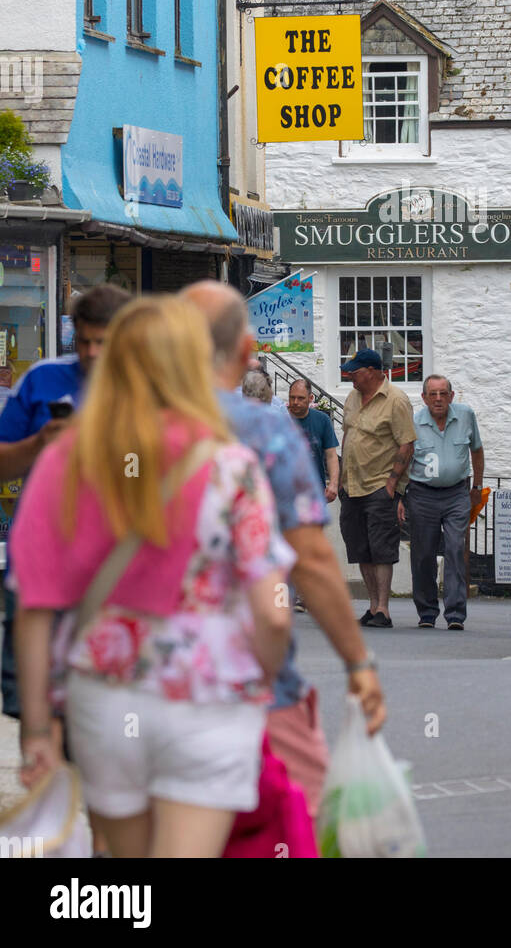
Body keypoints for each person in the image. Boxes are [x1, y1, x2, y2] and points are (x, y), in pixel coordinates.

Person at [11, 295, 293, 858]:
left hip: (107, 692)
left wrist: (38, 728)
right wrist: (262, 677)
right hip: (210, 695)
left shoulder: (67, 459)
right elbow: (272, 606)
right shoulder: (230, 467)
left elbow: (35, 605)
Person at [182, 283, 385, 816]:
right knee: (302, 816)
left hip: (134, 690)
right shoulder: (261, 427)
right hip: (246, 682)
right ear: (247, 352)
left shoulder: (114, 426)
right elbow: (312, 558)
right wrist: (357, 663)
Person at [0, 284, 131, 717]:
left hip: (112, 574)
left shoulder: (144, 391)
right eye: (85, 341)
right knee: (35, 711)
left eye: (103, 342)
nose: (93, 353)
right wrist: (39, 444)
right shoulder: (42, 380)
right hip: (38, 567)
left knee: (102, 715)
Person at [339, 349, 416, 630]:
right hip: (352, 485)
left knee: (381, 548)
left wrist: (393, 484)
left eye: (355, 372)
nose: (350, 377)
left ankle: (383, 608)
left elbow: (407, 443)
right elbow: (348, 433)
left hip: (379, 484)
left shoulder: (396, 400)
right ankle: (372, 606)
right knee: (360, 548)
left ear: (371, 371)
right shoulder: (352, 397)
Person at [401, 376, 484, 631]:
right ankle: (426, 611)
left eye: (443, 393)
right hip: (422, 494)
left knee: (455, 548)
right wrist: (401, 497)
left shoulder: (466, 415)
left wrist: (477, 487)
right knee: (423, 553)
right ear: (424, 398)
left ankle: (456, 612)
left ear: (451, 395)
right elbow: (403, 458)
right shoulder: (414, 422)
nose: (438, 399)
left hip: (457, 493)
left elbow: (477, 450)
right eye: (433, 394)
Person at [288, 377, 340, 502]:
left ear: (311, 398)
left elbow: (331, 455)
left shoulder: (322, 420)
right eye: (292, 397)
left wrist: (333, 484)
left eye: (301, 398)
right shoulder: (278, 420)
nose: (295, 402)